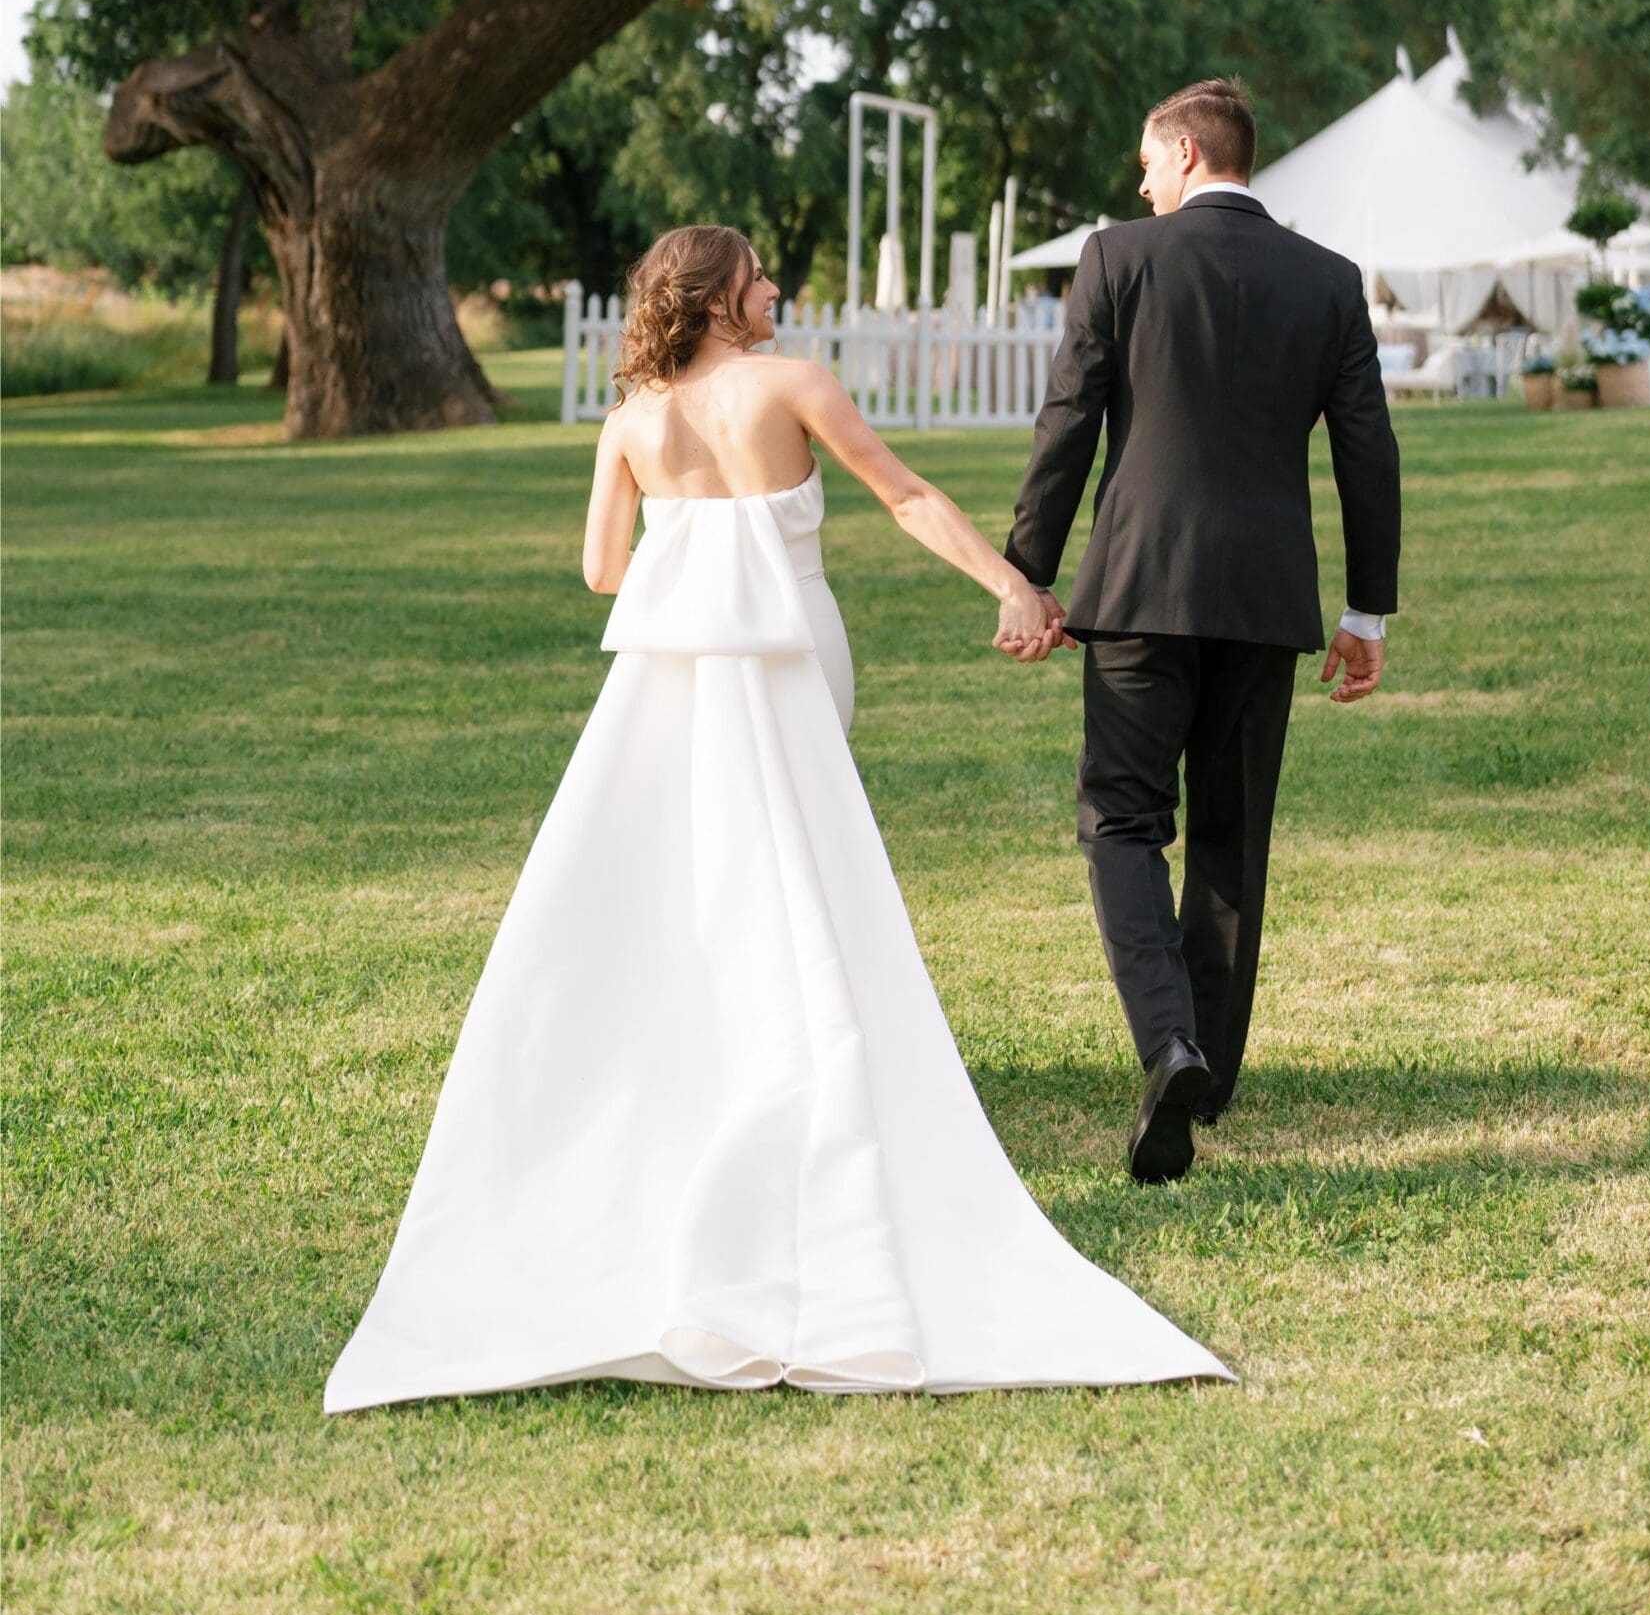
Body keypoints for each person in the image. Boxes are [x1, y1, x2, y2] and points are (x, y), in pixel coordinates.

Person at [323, 224, 1229, 1411]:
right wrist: (1011, 583)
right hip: (797, 662)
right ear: (715, 298)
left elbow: (602, 570)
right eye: (758, 277)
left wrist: (682, 530)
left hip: (680, 677)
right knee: (803, 875)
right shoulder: (795, 387)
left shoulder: (630, 424)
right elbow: (902, 498)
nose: (776, 289)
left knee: (716, 876)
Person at [1000, 78, 1402, 1188]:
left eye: (1145, 159)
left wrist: (1026, 572)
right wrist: (1367, 608)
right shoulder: (1326, 281)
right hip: (1267, 602)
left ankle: (1166, 1042)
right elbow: (1367, 449)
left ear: (1184, 153)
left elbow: (1069, 419)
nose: (1137, 181)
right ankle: (1207, 1071)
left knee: (1122, 822)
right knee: (1231, 830)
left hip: (1135, 591)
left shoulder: (1117, 257)